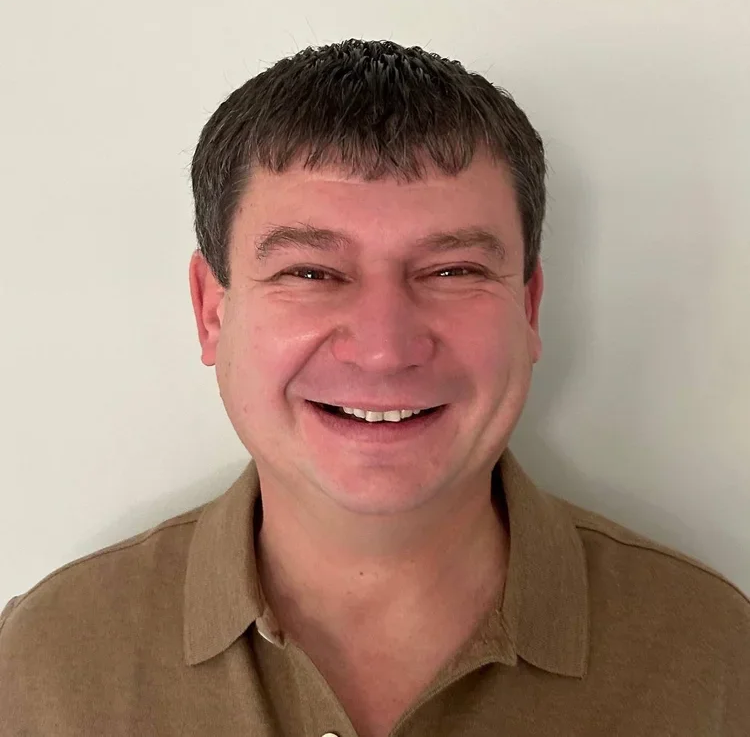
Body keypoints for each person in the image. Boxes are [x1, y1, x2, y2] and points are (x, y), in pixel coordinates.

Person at [1, 39, 747, 737]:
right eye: (311, 273)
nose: (385, 349)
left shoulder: (718, 659)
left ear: (527, 308)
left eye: (452, 271)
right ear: (212, 312)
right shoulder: (44, 666)